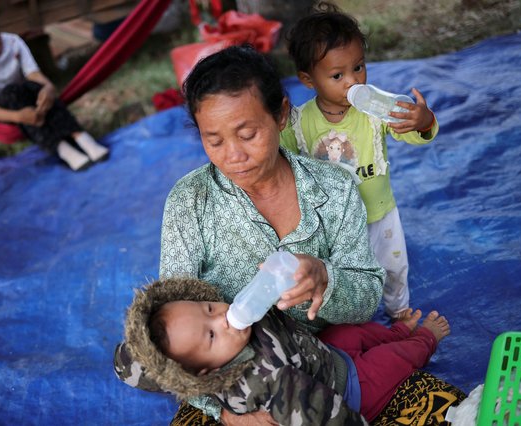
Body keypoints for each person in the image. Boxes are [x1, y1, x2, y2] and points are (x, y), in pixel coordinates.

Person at [116, 44, 385, 424]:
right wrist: (225, 411)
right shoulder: (190, 202)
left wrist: (326, 278)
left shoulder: (334, 190)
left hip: (322, 359)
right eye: (215, 141)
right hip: (238, 381)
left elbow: (368, 298)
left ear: (281, 116)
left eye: (247, 134)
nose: (233, 156)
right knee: (133, 359)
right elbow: (177, 342)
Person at [114, 278, 466, 425]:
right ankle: (424, 340)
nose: (223, 318)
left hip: (324, 356)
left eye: (208, 308)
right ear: (203, 373)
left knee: (351, 332)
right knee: (394, 362)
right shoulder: (266, 384)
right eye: (210, 336)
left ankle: (399, 331)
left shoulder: (239, 315)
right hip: (350, 392)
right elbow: (324, 418)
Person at [280, 2, 439, 319]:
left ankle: (399, 310)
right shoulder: (300, 123)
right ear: (308, 80)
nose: (352, 82)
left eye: (359, 67)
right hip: (333, 226)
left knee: (393, 267)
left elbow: (412, 131)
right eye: (337, 75)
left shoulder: (375, 110)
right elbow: (279, 156)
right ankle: (351, 319)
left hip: (379, 213)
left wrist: (422, 120)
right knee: (346, 276)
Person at [0, 0, 109, 171]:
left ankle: (81, 137)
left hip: (26, 98)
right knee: (12, 92)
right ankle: (62, 148)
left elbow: (34, 74)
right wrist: (19, 116)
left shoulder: (13, 42)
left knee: (38, 88)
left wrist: (48, 89)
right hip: (2, 112)